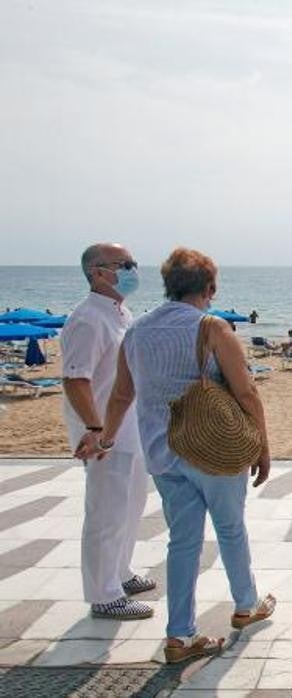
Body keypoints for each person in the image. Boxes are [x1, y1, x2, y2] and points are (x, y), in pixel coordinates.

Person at [76, 247, 276, 664]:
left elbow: (121, 396)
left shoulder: (138, 330)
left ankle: (179, 636)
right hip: (215, 450)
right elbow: (246, 392)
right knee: (230, 528)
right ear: (210, 287)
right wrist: (262, 444)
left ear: (168, 286)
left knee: (182, 542)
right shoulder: (213, 328)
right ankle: (246, 605)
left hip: (163, 453)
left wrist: (106, 440)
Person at [61, 243, 155, 621]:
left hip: (128, 426)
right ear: (98, 272)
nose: (133, 270)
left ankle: (121, 572)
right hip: (103, 431)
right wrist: (94, 428)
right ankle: (104, 594)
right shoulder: (87, 319)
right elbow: (74, 378)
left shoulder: (119, 313)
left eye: (133, 262)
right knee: (106, 508)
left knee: (131, 503)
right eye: (124, 265)